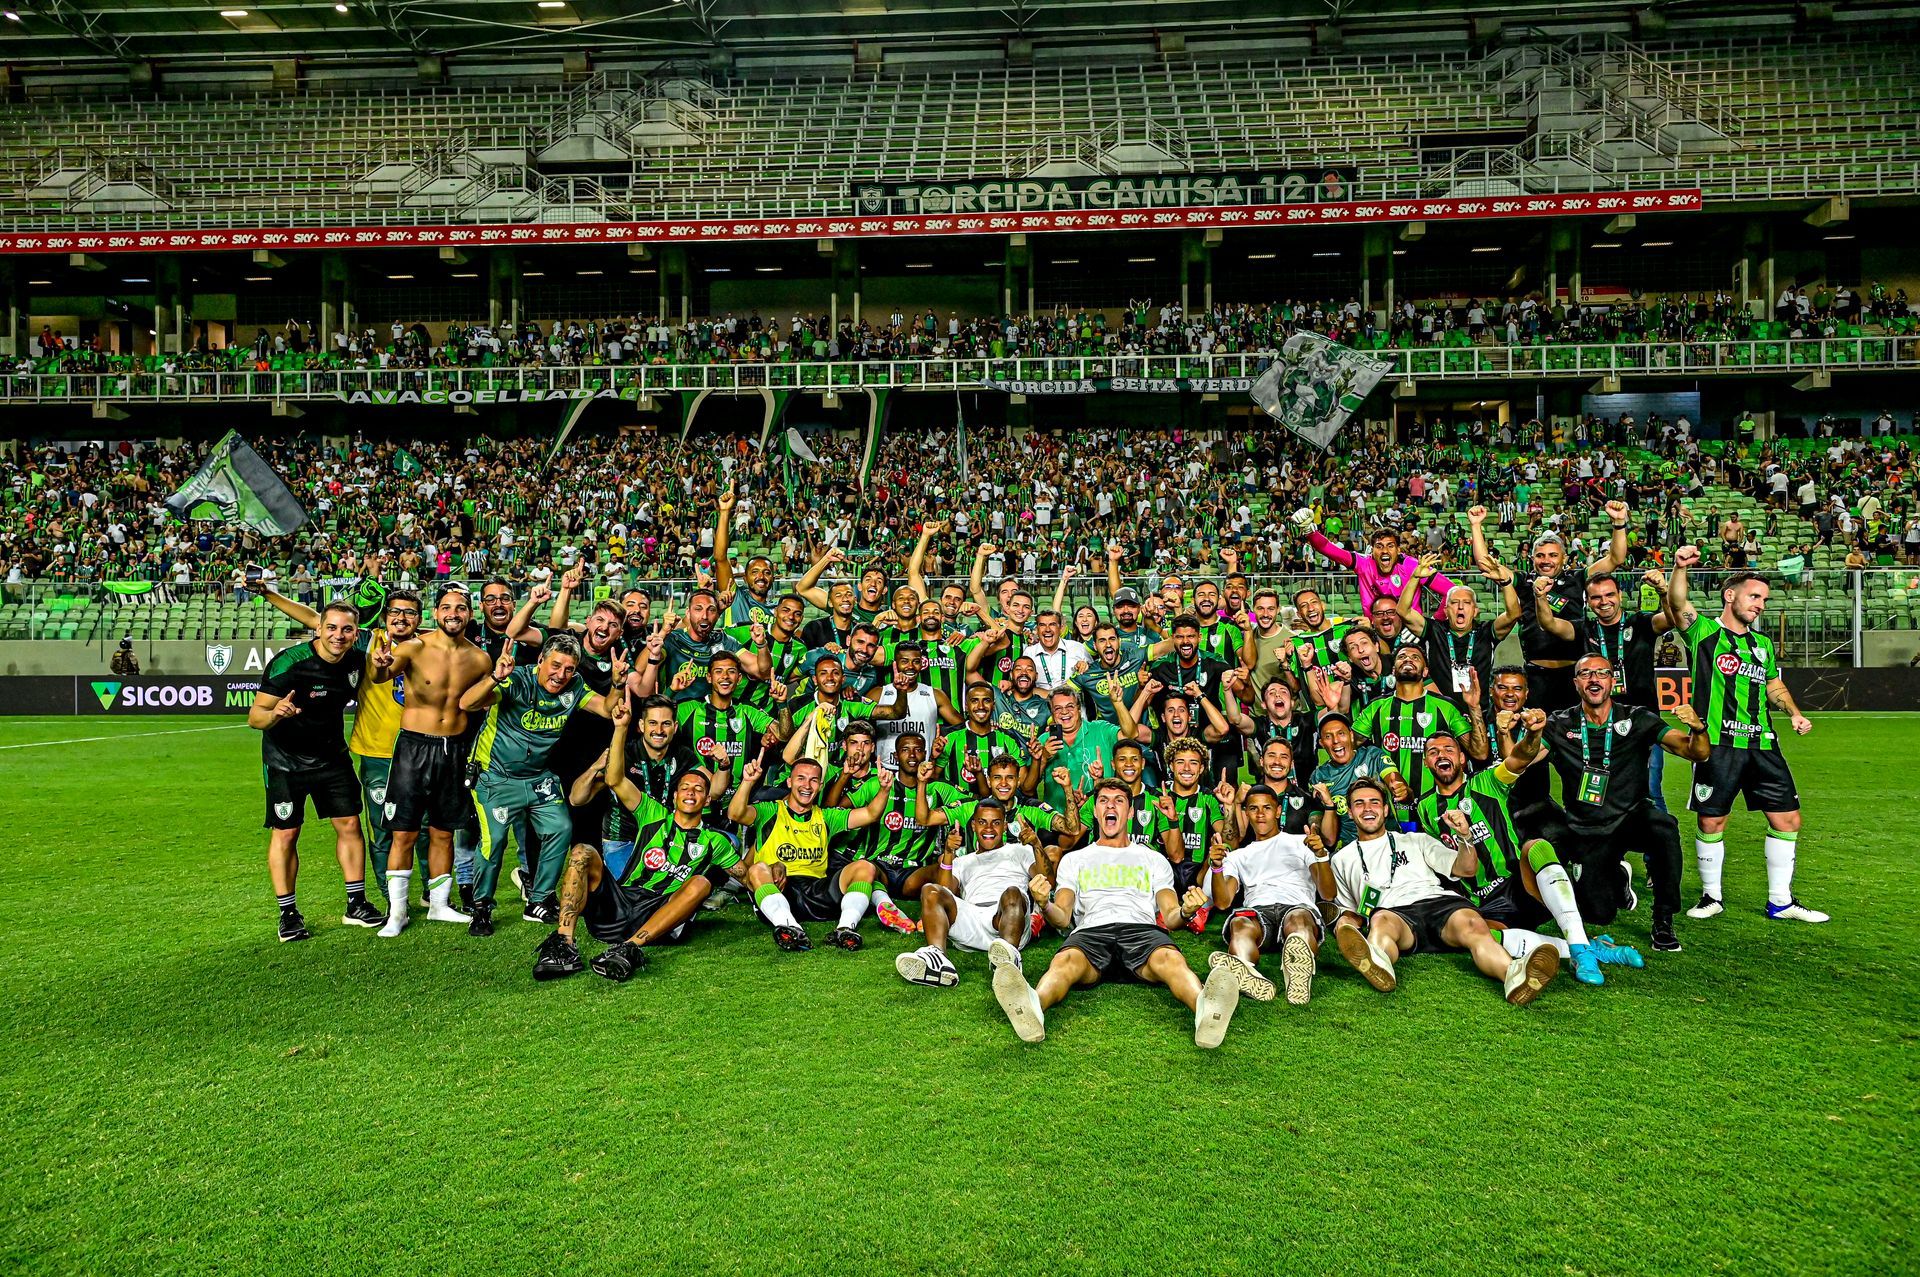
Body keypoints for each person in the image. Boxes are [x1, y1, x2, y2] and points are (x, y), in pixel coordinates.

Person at [988, 779, 1246, 1048]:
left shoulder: (1153, 859)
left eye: (1119, 801)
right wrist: (1044, 903)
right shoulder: (1075, 859)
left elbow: (1170, 916)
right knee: (1065, 963)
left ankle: (1205, 1009)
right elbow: (1062, 917)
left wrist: (1186, 910)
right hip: (1091, 932)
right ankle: (1032, 1006)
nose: (1110, 805)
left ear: (1130, 812)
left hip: (1140, 930)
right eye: (1103, 801)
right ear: (1096, 811)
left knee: (1171, 960)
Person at [532, 697, 746, 982]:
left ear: (674, 727)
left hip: (668, 839)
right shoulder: (623, 753)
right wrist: (602, 759)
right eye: (653, 723)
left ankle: (642, 937)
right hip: (623, 844)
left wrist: (724, 765)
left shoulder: (683, 758)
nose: (659, 729)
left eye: (666, 723)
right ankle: (564, 944)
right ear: (641, 726)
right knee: (583, 851)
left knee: (719, 849)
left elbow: (714, 791)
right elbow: (578, 797)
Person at [1416, 723, 1643, 986]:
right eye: (1433, 752)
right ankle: (1590, 947)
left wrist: (1534, 734)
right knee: (1477, 935)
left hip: (1522, 885)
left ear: (1462, 757)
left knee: (1536, 847)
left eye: (1448, 749)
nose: (1441, 755)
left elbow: (1520, 758)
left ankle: (1581, 948)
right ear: (1426, 763)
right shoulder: (1425, 808)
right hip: (1486, 902)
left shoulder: (1487, 781)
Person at [1666, 558, 1827, 923]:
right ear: (1730, 596)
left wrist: (1794, 713)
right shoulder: (1704, 631)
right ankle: (1712, 896)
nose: (1760, 604)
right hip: (1719, 745)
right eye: (1754, 596)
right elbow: (1678, 604)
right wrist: (1680, 568)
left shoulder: (1763, 645)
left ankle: (1781, 901)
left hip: (1763, 745)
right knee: (1712, 822)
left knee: (1787, 819)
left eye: (1764, 600)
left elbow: (1774, 685)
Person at [1534, 654, 1713, 953]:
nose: (1594, 679)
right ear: (1576, 682)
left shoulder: (1637, 718)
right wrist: (1522, 734)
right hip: (1587, 827)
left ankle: (1664, 919)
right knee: (1598, 914)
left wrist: (1698, 729)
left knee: (1663, 828)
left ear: (1612, 680)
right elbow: (1525, 758)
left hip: (1631, 817)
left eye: (1601, 673)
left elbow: (1697, 753)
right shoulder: (1558, 724)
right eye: (1586, 674)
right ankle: (1618, 877)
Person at [1327, 778, 1562, 1006]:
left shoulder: (1416, 840)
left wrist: (1464, 836)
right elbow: (1350, 910)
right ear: (1349, 812)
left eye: (1374, 802)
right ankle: (1378, 963)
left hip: (1440, 905)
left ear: (1386, 810)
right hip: (1396, 913)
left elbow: (1466, 868)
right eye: (1359, 804)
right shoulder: (1341, 859)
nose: (1368, 809)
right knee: (1380, 921)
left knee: (1474, 925)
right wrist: (1344, 924)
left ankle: (1513, 974)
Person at [457, 633, 622, 937]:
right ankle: (481, 907)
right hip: (495, 775)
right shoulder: (517, 680)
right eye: (556, 666)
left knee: (561, 827)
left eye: (569, 669)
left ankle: (540, 899)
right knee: (494, 841)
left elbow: (606, 708)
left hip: (537, 775)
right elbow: (467, 703)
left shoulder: (573, 687)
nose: (561, 675)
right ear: (541, 660)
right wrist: (495, 676)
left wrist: (617, 683)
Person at [367, 585, 494, 936]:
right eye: (447, 607)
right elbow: (382, 674)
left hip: (453, 749)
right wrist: (379, 666)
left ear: (470, 614)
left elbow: (485, 696)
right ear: (436, 614)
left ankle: (439, 906)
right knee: (403, 833)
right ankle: (398, 913)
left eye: (461, 608)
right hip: (413, 747)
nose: (454, 613)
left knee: (443, 832)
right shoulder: (414, 646)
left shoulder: (480, 659)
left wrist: (496, 683)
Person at [248, 600, 369, 942]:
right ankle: (288, 913)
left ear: (355, 634)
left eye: (346, 630)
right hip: (285, 761)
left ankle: (356, 902)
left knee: (349, 824)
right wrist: (276, 713)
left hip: (332, 756)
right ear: (318, 629)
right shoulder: (289, 663)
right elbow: (255, 718)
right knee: (286, 833)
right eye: (331, 628)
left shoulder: (358, 657)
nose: (338, 635)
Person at [1535, 568, 1678, 810]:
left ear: (1620, 595)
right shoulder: (1585, 629)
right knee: (1595, 789)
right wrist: (1540, 597)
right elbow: (1549, 623)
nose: (1604, 602)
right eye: (1596, 597)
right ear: (1588, 601)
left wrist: (1664, 592)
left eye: (1609, 594)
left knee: (1650, 790)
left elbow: (1672, 619)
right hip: (1597, 723)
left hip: (1641, 722)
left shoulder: (1641, 622)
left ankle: (1657, 846)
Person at [1469, 501, 1629, 712]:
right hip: (1536, 675)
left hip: (1573, 674)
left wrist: (1618, 524)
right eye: (1540, 555)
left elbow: (1616, 558)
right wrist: (1475, 525)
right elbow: (1485, 564)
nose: (1546, 561)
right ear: (1532, 558)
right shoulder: (1524, 582)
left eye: (1553, 555)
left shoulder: (1578, 578)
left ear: (1564, 558)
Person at [729, 755, 893, 950]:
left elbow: (870, 814)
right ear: (789, 781)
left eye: (814, 780)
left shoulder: (827, 816)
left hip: (817, 892)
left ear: (821, 785)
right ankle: (789, 927)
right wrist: (747, 782)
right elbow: (735, 813)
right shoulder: (769, 811)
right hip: (780, 889)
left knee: (865, 867)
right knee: (757, 869)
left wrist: (884, 790)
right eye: (801, 778)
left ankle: (844, 929)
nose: (807, 785)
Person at [896, 800, 1046, 988]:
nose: (989, 828)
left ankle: (1008, 964)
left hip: (1009, 918)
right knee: (930, 890)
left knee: (1013, 893)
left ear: (1005, 826)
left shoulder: (1020, 851)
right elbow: (945, 892)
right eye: (982, 822)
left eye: (996, 823)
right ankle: (937, 958)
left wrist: (1036, 844)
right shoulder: (963, 861)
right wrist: (949, 852)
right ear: (973, 825)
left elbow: (1046, 880)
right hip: (973, 917)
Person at [1208, 785, 1335, 1006]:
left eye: (1267, 807)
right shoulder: (1238, 856)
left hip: (1296, 906)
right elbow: (1223, 901)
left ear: (1277, 811)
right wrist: (1217, 867)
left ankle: (1298, 974)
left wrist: (1321, 855)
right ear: (1246, 813)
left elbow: (1328, 893)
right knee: (1239, 924)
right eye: (1253, 809)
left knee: (1298, 921)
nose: (1260, 814)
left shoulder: (1302, 842)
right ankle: (1244, 968)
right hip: (1258, 910)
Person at [1395, 552, 1521, 714]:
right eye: (1454, 603)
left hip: (1478, 712)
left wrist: (1505, 582)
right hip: (1439, 714)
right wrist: (1415, 578)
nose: (1460, 607)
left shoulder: (1487, 631)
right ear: (1446, 611)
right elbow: (1403, 611)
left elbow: (1513, 614)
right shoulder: (1434, 629)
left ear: (1475, 611)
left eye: (1466, 603)